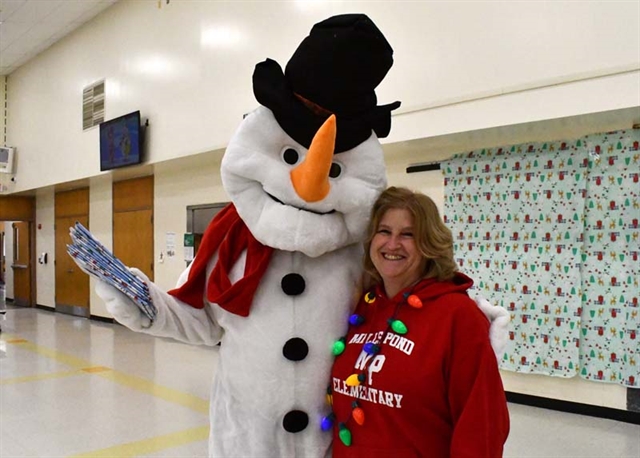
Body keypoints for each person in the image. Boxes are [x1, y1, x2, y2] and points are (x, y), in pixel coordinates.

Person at [328, 186, 510, 457]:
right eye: (384, 231)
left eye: (408, 235)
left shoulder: (458, 315)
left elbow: (481, 426)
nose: (392, 244)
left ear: (429, 244)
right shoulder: (362, 306)